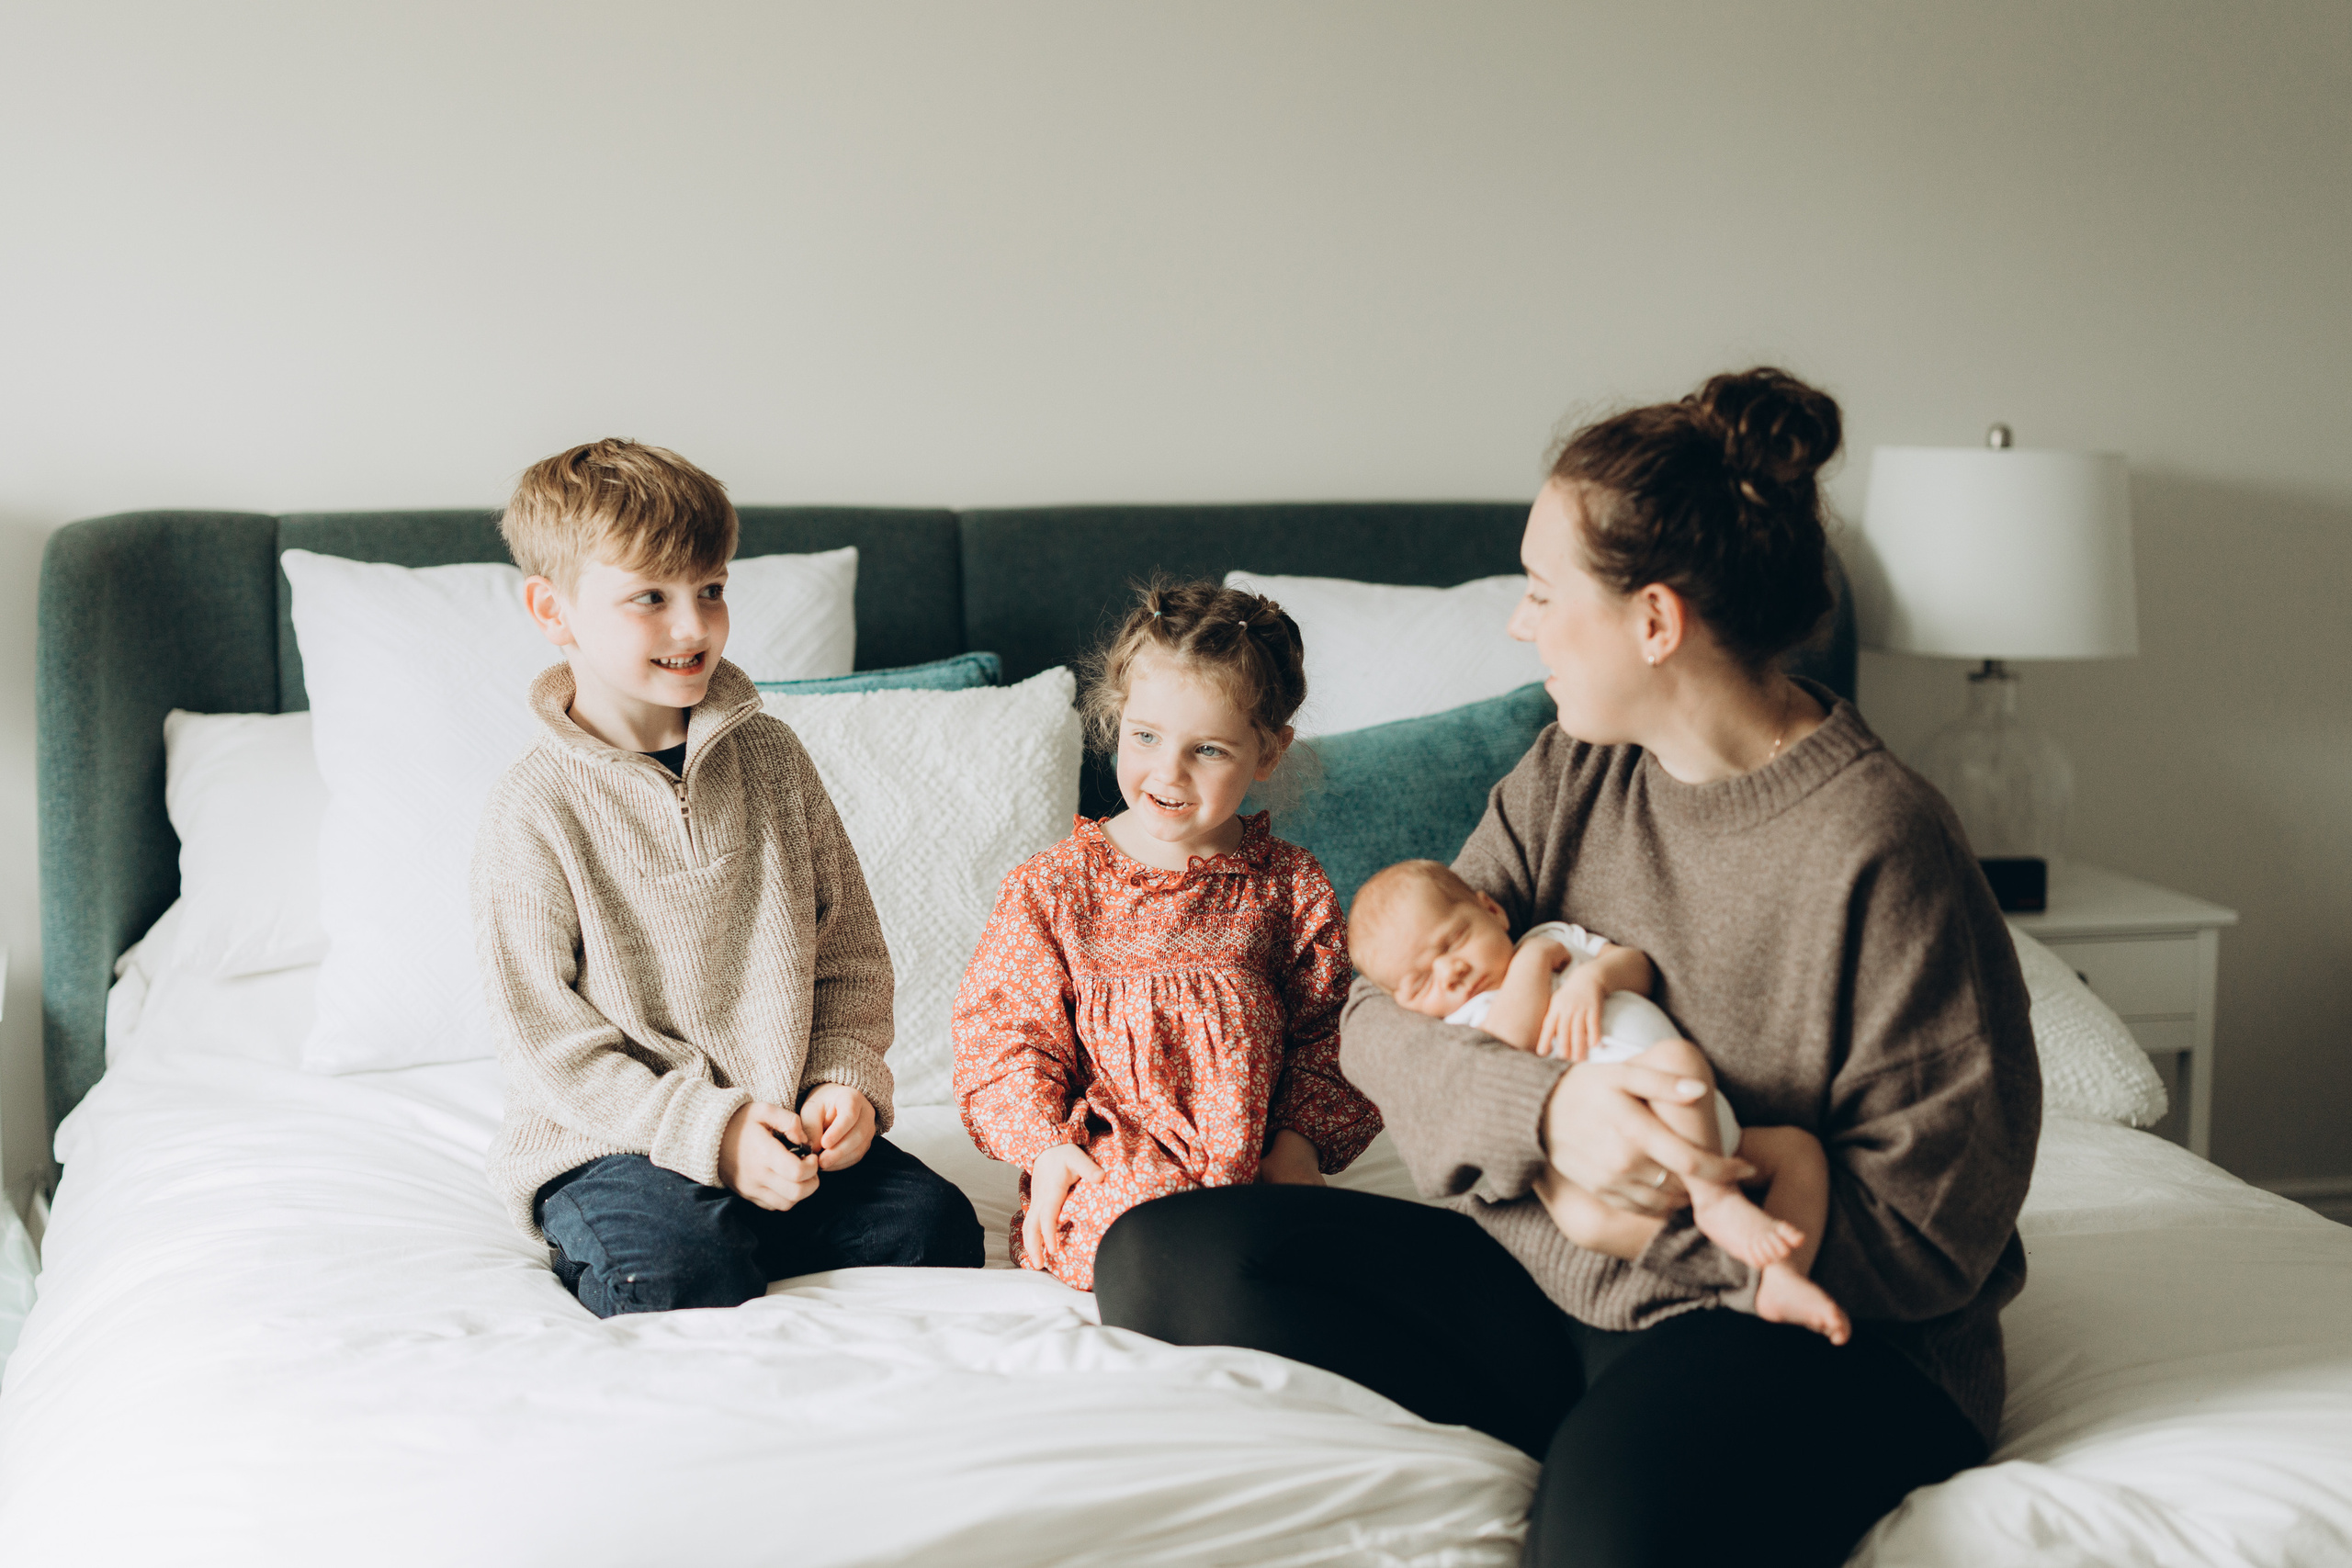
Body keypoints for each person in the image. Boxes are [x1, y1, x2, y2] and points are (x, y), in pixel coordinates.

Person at [1091, 369, 2041, 1568]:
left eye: (1542, 592)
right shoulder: (1570, 772)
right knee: (1163, 1256)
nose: (1518, 623)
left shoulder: (1882, 840)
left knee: (1602, 1536)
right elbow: (1380, 1013)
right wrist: (1551, 1118)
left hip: (1814, 1328)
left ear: (1655, 621)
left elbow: (1933, 1228)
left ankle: (1630, 1438)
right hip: (1564, 1286)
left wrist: (1627, 1214)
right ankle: (1615, 1416)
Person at [470, 438, 981, 1317]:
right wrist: (715, 1134)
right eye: (651, 598)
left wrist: (843, 1080)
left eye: (711, 589)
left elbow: (848, 954)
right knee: (678, 1275)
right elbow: (550, 1042)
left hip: (781, 1124)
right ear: (552, 609)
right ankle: (691, 1231)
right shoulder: (534, 806)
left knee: (938, 1230)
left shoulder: (773, 759)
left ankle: (752, 1216)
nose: (693, 626)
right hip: (614, 1140)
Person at [952, 580, 1383, 1289]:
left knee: (1321, 1256)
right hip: (1109, 1161)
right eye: (1145, 736)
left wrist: (1297, 1147)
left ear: (1268, 753)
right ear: (1118, 719)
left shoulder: (1287, 886)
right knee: (1139, 1234)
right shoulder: (1055, 888)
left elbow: (1331, 1031)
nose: (1168, 772)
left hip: (1252, 1165)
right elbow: (1005, 1036)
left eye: (1208, 749)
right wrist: (1046, 1148)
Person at [1350, 858, 1848, 1343]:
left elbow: (1636, 965)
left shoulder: (1553, 936)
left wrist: (1595, 978)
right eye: (1421, 982)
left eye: (1453, 940)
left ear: (1492, 911)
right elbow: (1510, 1042)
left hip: (1703, 1124)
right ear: (1407, 1008)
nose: (1451, 972)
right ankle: (1719, 1207)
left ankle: (1781, 1281)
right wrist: (1532, 963)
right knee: (1677, 1065)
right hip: (1615, 1159)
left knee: (1798, 1152)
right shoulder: (1463, 1022)